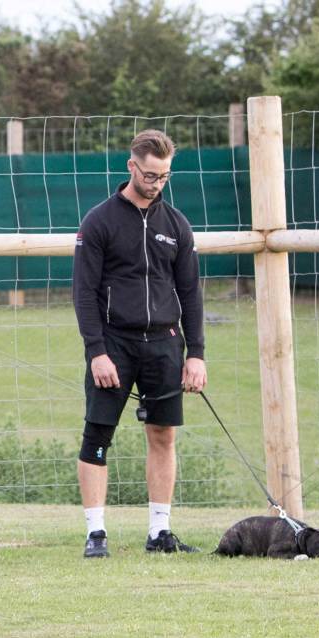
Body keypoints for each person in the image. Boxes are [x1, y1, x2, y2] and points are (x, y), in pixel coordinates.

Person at [72, 128, 208, 559]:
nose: (156, 184)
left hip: (165, 344)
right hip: (114, 344)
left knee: (163, 434)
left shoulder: (177, 225)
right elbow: (84, 294)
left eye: (164, 176)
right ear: (132, 166)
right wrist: (97, 352)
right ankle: (96, 532)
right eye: (150, 175)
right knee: (98, 434)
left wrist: (196, 354)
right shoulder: (99, 221)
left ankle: (159, 531)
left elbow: (191, 293)